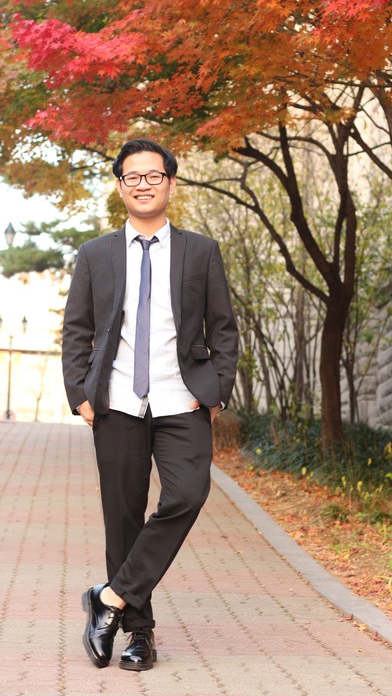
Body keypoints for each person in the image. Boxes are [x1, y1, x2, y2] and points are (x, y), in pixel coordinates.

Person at [62, 138, 238, 671]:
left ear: (171, 183)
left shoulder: (200, 251)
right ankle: (139, 633)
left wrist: (216, 388)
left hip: (182, 399)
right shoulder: (95, 254)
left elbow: (223, 328)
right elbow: (77, 330)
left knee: (188, 493)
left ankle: (110, 598)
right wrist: (80, 396)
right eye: (132, 176)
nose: (143, 184)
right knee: (123, 518)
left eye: (153, 175)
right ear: (121, 186)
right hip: (116, 402)